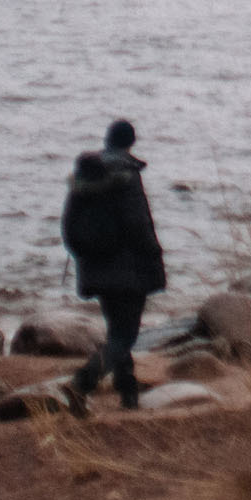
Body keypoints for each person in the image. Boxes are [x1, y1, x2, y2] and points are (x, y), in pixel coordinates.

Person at [60, 118, 166, 409]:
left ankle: (128, 393)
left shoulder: (86, 175)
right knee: (125, 335)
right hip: (129, 270)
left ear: (107, 140)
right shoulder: (127, 174)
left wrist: (86, 256)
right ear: (131, 142)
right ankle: (83, 382)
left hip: (95, 267)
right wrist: (155, 255)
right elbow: (138, 223)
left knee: (117, 331)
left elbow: (68, 227)